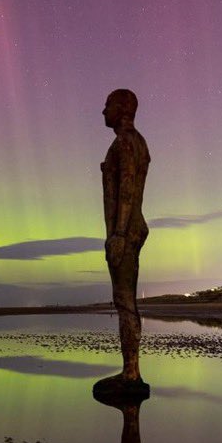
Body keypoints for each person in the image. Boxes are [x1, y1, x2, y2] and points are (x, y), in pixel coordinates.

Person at [95, 88, 150, 394]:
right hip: (130, 228)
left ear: (123, 108)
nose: (104, 112)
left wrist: (118, 234)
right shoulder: (134, 141)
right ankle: (131, 369)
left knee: (124, 301)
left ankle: (131, 373)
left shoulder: (125, 142)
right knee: (126, 301)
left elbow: (127, 188)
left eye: (108, 105)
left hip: (125, 230)